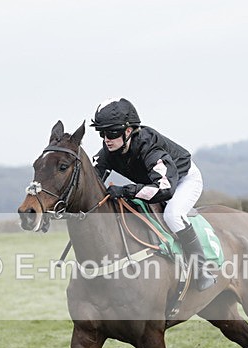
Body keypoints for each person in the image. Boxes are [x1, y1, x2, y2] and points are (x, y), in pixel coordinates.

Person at [90, 97, 216, 291]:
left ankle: (202, 269)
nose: (106, 138)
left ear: (128, 131)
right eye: (102, 133)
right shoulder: (110, 150)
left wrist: (125, 190)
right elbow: (92, 179)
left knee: (173, 215)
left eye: (112, 132)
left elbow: (165, 189)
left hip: (182, 180)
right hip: (154, 182)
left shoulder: (149, 147)